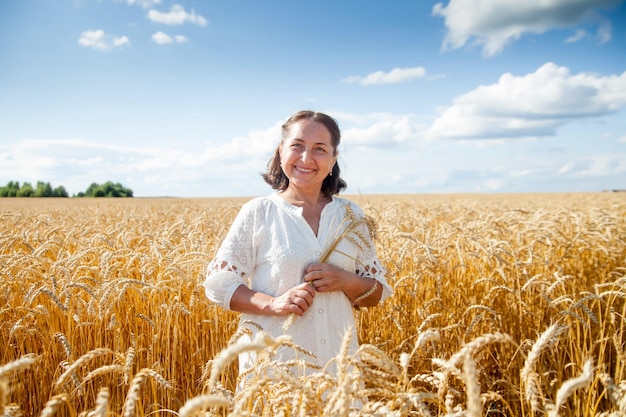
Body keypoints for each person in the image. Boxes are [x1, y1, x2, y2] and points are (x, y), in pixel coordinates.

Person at [203, 110, 392, 384]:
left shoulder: (351, 216)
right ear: (281, 152)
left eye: (319, 149)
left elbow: (375, 293)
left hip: (338, 372)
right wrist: (273, 304)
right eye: (297, 146)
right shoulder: (260, 212)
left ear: (333, 159)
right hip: (274, 373)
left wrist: (344, 280)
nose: (306, 158)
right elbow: (218, 285)